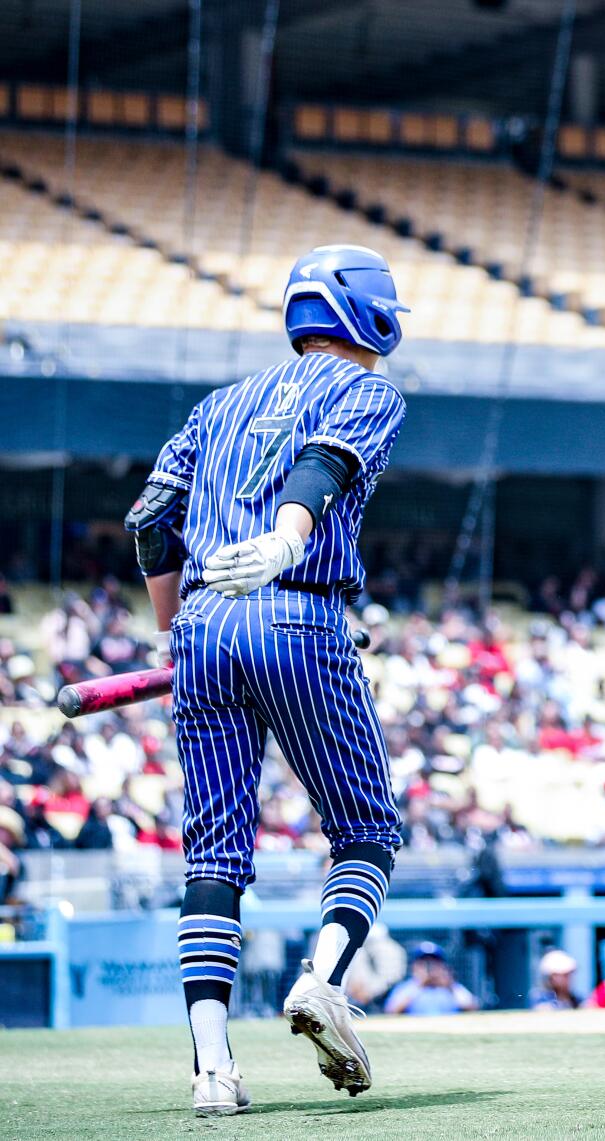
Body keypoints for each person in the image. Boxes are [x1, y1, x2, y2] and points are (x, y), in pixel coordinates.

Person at [125, 245, 410, 1114]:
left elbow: (149, 523)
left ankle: (213, 1068)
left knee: (213, 856)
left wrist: (176, 628)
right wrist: (288, 542)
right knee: (364, 830)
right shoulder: (369, 391)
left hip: (204, 625)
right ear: (371, 314)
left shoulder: (218, 404)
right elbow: (320, 469)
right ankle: (322, 978)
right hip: (297, 611)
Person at [383, 942, 479, 1016]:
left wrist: (450, 986)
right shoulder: (407, 988)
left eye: (434, 962)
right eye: (424, 962)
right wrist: (420, 984)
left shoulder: (452, 987)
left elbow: (473, 1008)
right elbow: (391, 1011)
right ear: (415, 966)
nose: (430, 967)